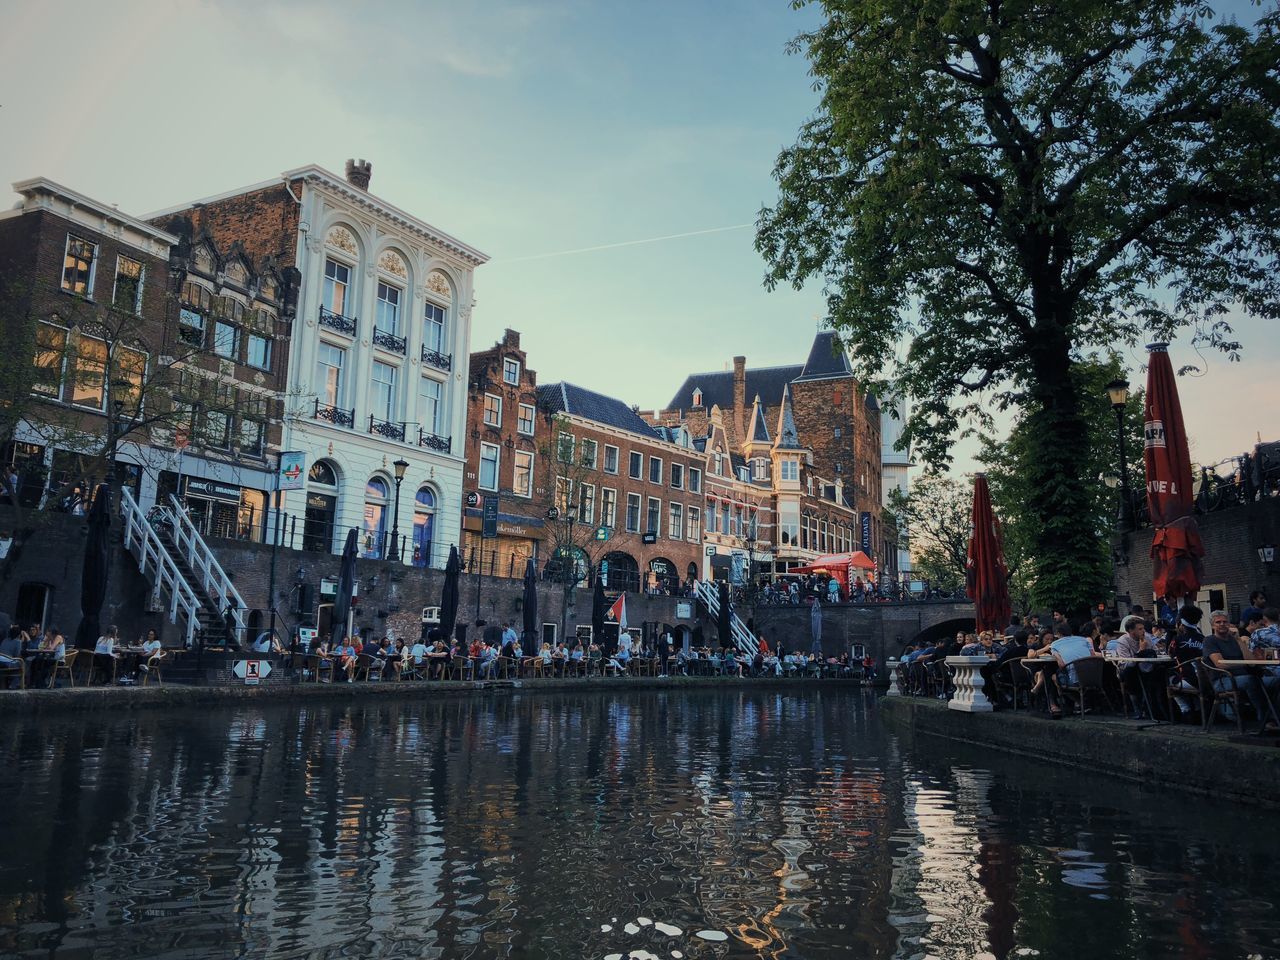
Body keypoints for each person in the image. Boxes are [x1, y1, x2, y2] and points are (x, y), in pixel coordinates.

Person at [1203, 609, 1279, 734]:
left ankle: (1274, 717)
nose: (1222, 624)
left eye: (1225, 622)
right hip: (1223, 680)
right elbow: (1220, 664)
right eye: (1218, 622)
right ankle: (1265, 721)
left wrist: (1239, 640)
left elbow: (1251, 661)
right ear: (1212, 625)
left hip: (1243, 676)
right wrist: (1241, 665)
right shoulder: (1210, 641)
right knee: (1252, 680)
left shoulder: (1235, 640)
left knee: (1276, 681)